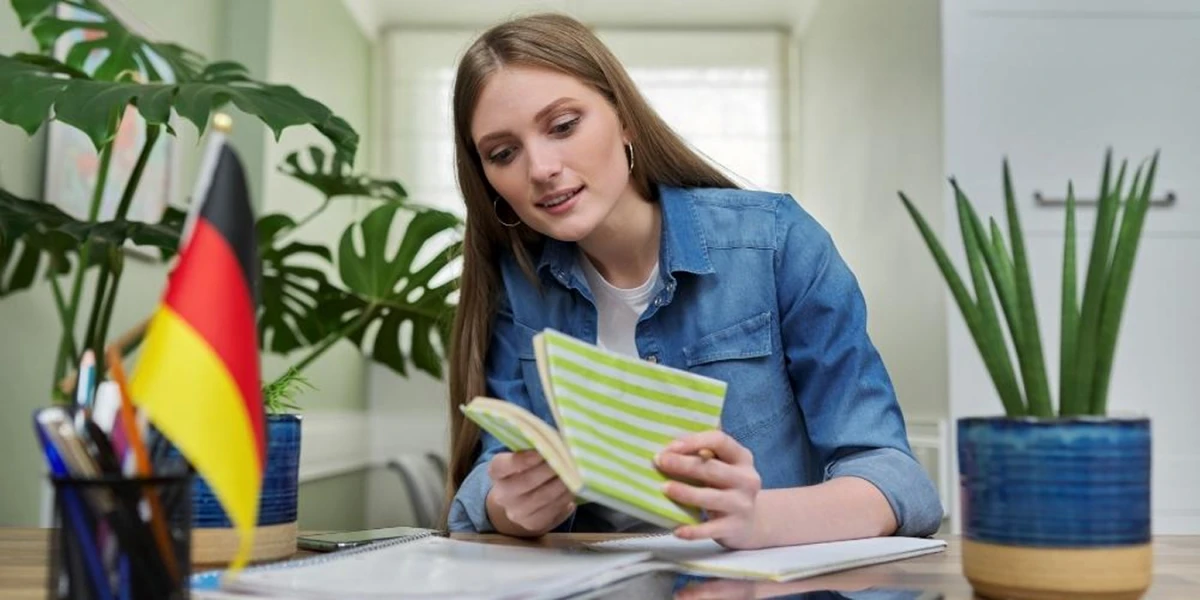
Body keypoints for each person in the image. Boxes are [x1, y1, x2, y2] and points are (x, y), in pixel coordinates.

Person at [443, 12, 942, 549]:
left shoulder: (776, 243)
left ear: (624, 117)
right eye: (503, 153)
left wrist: (762, 519)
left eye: (563, 126)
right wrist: (512, 506)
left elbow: (897, 479)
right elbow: (487, 482)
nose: (540, 168)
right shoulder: (519, 288)